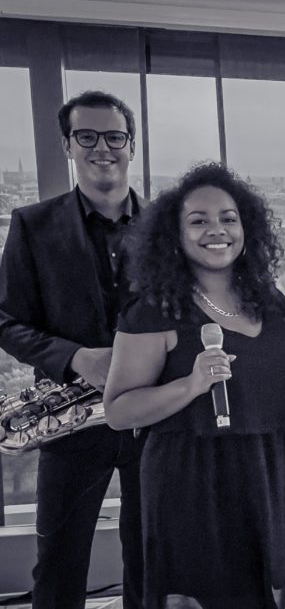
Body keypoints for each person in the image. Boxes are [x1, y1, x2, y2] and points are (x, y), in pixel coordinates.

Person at [102, 163, 285, 608]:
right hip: (189, 482)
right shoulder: (154, 311)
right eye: (198, 221)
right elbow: (118, 411)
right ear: (174, 235)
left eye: (229, 218)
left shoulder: (271, 303)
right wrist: (190, 386)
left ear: (246, 228)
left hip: (266, 473)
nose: (217, 230)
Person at [0, 90, 145, 609]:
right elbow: (6, 321)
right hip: (72, 418)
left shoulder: (166, 226)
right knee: (59, 564)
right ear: (67, 144)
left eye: (114, 136)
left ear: (132, 145)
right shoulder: (32, 224)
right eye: (87, 136)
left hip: (152, 417)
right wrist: (75, 357)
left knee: (152, 557)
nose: (102, 147)